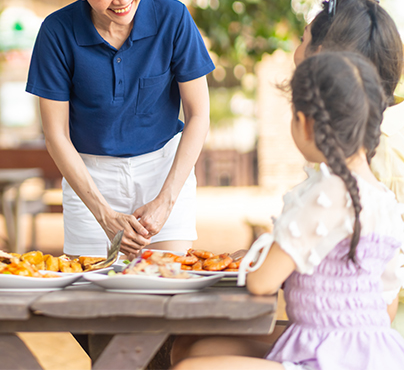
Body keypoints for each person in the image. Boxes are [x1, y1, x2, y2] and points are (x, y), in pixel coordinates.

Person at [173, 52, 404, 369]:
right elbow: (387, 302)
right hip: (372, 355)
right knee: (198, 348)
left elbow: (261, 283)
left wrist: (258, 258)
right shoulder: (386, 201)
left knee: (191, 367)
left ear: (304, 123)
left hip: (325, 358)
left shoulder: (326, 193)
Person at [26, 0, 214, 258]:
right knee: (93, 297)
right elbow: (56, 136)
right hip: (90, 179)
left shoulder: (173, 18)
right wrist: (103, 214)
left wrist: (166, 199)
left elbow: (199, 114)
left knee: (165, 285)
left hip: (165, 171)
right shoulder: (56, 33)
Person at [293, 0, 404, 336]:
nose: (295, 52)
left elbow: (387, 290)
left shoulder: (378, 160)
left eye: (302, 40)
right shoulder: (356, 147)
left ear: (322, 58)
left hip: (364, 338)